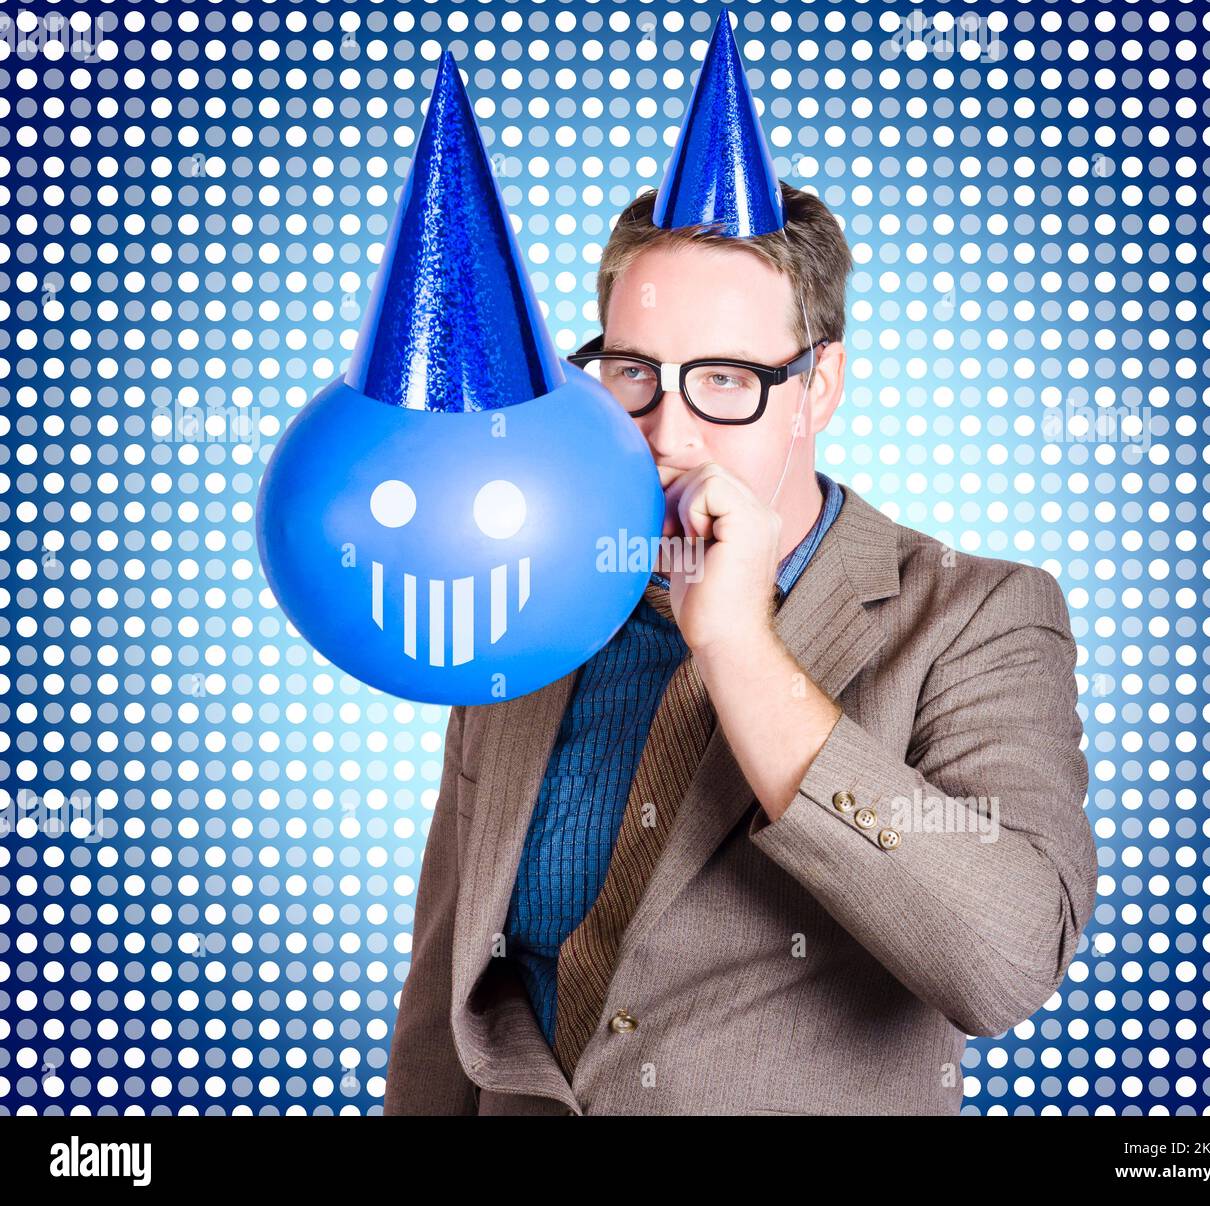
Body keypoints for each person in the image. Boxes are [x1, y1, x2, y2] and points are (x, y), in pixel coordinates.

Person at [384, 11, 1097, 1117]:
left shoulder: (976, 615)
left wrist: (739, 651)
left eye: (726, 379)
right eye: (631, 372)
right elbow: (447, 988)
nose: (667, 430)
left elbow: (1003, 963)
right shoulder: (534, 602)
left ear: (818, 386)